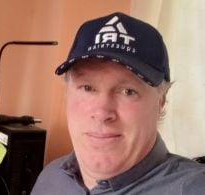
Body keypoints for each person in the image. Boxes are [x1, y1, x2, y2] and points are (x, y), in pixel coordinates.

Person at [30, 12, 205, 195]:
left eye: (128, 91)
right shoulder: (50, 178)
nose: (102, 112)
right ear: (67, 92)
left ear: (161, 101)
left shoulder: (194, 188)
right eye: (87, 88)